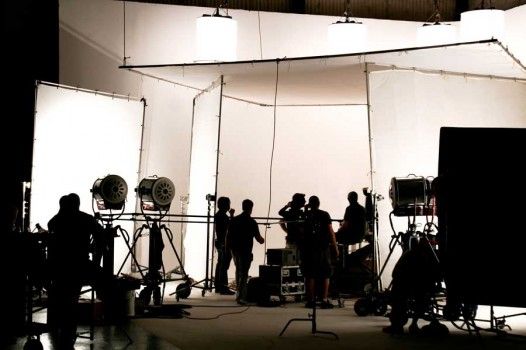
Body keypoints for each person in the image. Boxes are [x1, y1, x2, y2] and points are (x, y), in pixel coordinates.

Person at [47, 193, 102, 349]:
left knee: (62, 298)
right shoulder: (87, 219)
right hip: (79, 266)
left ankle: (61, 330)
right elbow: (101, 236)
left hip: (59, 267)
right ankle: (69, 333)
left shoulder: (55, 221)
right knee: (72, 298)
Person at [382, 235, 442, 335]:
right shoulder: (426, 254)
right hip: (416, 285)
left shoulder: (415, 253)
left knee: (399, 294)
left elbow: (396, 272)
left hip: (413, 285)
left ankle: (398, 325)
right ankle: (410, 324)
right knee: (408, 295)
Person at [301, 195, 339, 309]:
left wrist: (306, 210)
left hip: (309, 248)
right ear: (319, 203)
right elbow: (331, 232)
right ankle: (324, 299)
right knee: (326, 274)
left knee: (310, 274)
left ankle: (311, 300)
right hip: (323, 248)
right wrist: (335, 248)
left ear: (309, 204)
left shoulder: (306, 215)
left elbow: (302, 231)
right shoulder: (324, 214)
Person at [226, 199, 264, 305]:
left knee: (238, 270)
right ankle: (241, 297)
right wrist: (263, 239)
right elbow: (259, 239)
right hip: (245, 250)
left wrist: (227, 248)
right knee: (244, 273)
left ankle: (239, 294)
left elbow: (228, 235)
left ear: (243, 207)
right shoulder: (252, 222)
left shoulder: (235, 220)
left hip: (234, 249)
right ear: (251, 208)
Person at [214, 196, 235, 295]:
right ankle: (223, 287)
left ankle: (218, 286)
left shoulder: (218, 215)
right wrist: (232, 215)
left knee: (220, 264)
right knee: (224, 266)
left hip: (220, 242)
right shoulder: (223, 216)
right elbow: (231, 227)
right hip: (224, 243)